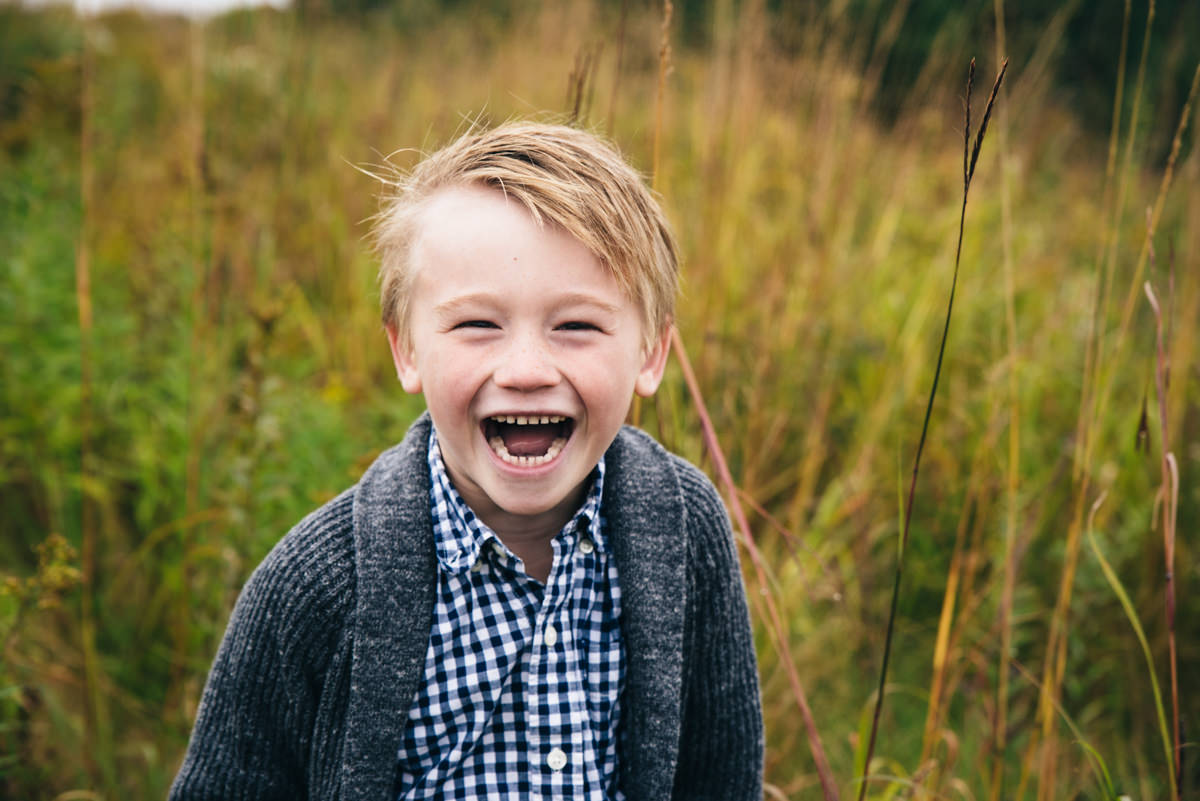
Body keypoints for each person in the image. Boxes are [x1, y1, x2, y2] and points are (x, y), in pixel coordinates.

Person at [169, 121, 763, 800]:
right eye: (478, 324)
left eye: (577, 326)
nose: (527, 369)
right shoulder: (320, 583)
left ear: (651, 354)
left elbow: (721, 775)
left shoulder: (683, 529)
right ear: (407, 350)